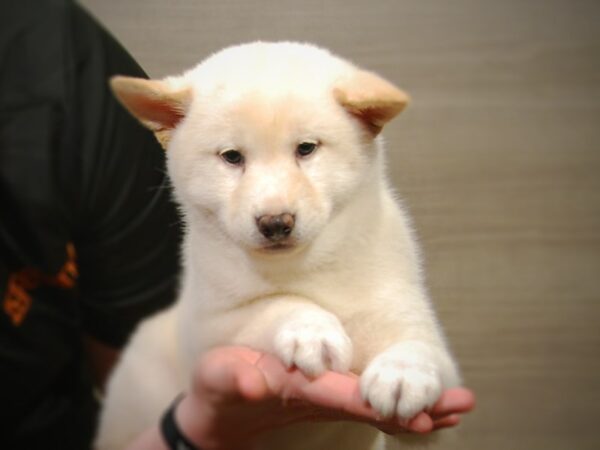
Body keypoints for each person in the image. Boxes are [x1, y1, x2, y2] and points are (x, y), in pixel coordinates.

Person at [0, 1, 475, 449]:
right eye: (232, 157)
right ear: (170, 125)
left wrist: (409, 365)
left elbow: (422, 396)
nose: (274, 209)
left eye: (306, 149)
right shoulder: (211, 255)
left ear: (366, 120)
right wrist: (285, 320)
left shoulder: (52, 53)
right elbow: (209, 341)